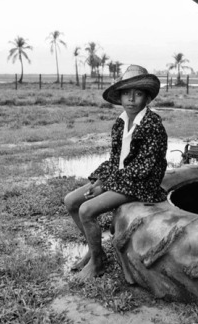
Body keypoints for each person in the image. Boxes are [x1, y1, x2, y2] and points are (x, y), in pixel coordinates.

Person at [64, 65, 168, 280]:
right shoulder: (120, 123)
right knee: (71, 200)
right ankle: (96, 253)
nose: (131, 99)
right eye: (126, 94)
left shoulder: (152, 125)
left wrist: (106, 185)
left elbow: (143, 168)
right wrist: (101, 179)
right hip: (121, 179)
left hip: (142, 184)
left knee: (86, 210)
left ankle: (98, 263)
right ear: (120, 97)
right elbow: (115, 160)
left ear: (147, 99)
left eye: (138, 94)